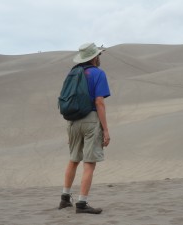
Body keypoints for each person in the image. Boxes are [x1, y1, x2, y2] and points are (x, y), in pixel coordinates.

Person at [58, 43, 111, 214]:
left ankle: (65, 198)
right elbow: (99, 102)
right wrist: (106, 130)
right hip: (90, 120)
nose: (99, 58)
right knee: (89, 163)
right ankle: (82, 203)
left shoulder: (72, 72)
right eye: (99, 55)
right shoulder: (98, 73)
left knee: (73, 159)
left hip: (72, 121)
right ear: (94, 57)